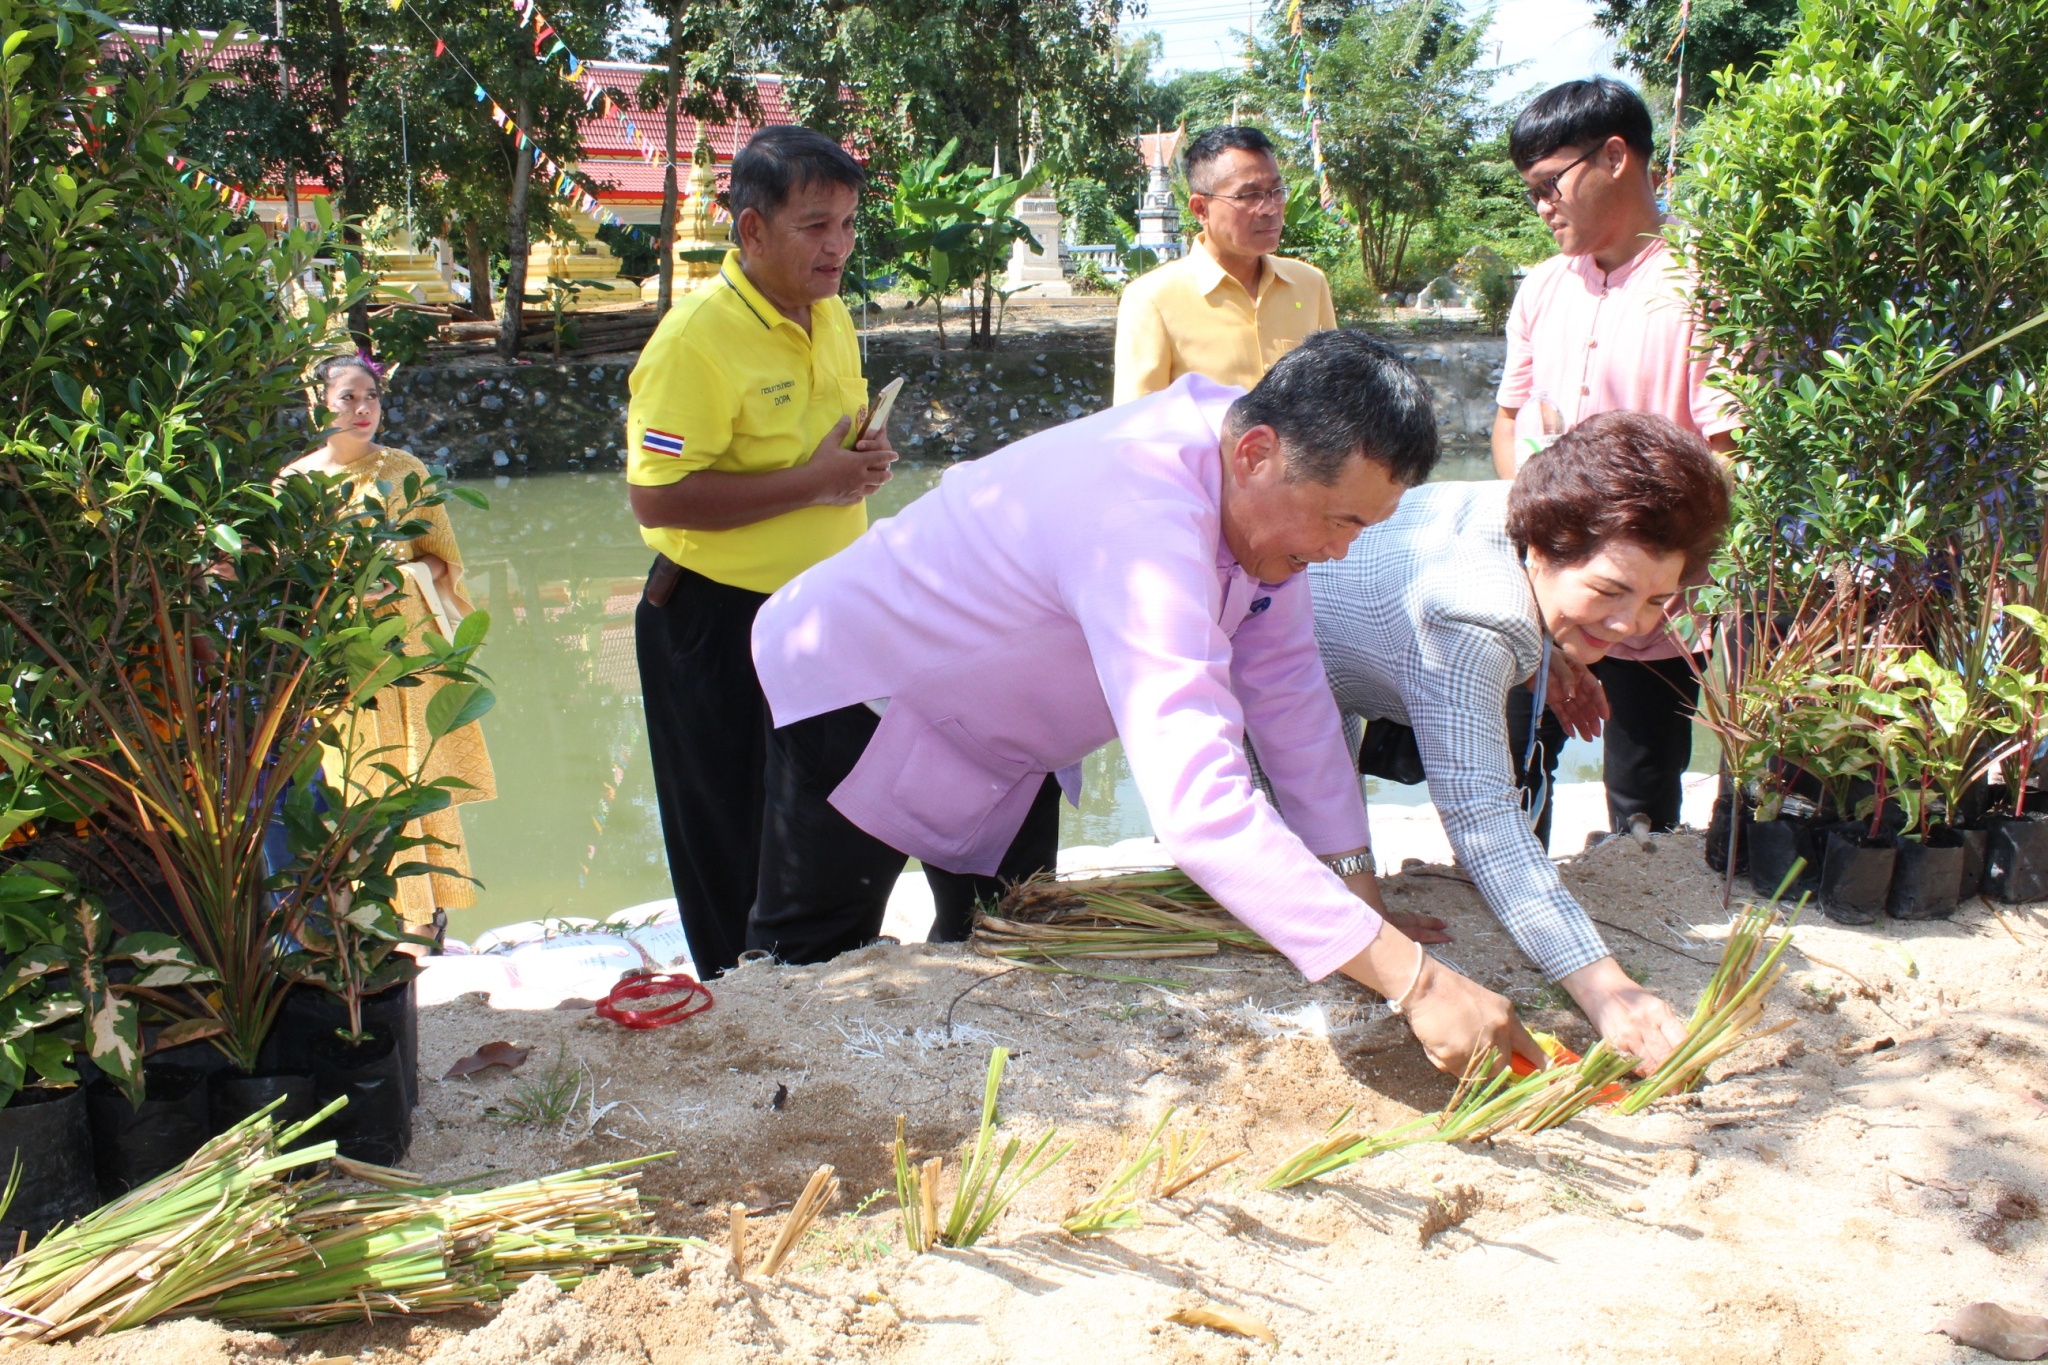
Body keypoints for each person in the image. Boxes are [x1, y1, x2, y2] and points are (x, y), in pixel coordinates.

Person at [751, 331, 1547, 1078]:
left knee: (1004, 945)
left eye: (1363, 528)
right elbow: (1201, 811)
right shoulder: (1141, 512)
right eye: (1340, 521)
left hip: (1014, 736)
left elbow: (1293, 702)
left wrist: (1360, 903)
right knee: (814, 958)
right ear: (1256, 452)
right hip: (866, 690)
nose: (1341, 551)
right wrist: (1418, 983)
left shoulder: (1260, 494)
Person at [1308, 411, 1731, 1068]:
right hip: (1272, 665)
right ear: (1542, 544)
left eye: (1657, 600)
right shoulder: (1471, 615)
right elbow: (1482, 817)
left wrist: (1544, 650)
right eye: (1610, 590)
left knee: (1345, 875)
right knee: (1319, 867)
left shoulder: (1526, 504)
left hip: (1336, 650)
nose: (1630, 625)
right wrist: (1609, 991)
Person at [625, 126, 897, 980]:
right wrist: (815, 484)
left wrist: (858, 463)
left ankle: (823, 974)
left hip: (827, 610)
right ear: (751, 229)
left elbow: (818, 452)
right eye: (815, 226)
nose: (838, 246)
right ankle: (738, 998)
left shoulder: (831, 311)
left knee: (836, 811)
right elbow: (656, 498)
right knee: (729, 830)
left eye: (847, 224)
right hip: (718, 617)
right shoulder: (694, 340)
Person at [1490, 77, 1739, 840]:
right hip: (1546, 594)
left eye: (1550, 184)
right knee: (1513, 773)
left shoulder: (1703, 281)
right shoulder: (1542, 288)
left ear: (1617, 157)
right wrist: (1543, 548)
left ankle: (1640, 889)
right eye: (1531, 192)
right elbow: (1509, 423)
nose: (1542, 206)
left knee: (1643, 795)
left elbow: (1729, 455)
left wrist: (1647, 570)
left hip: (1652, 608)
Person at [284, 352, 496, 928]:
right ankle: (358, 922)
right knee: (353, 777)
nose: (363, 410)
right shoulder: (295, 484)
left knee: (413, 771)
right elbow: (286, 581)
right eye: (347, 398)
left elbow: (444, 561)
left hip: (408, 651)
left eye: (371, 397)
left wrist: (398, 580)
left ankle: (423, 920)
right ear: (318, 403)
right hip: (340, 657)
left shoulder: (404, 470)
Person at [1113, 126, 1337, 406]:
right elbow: (1138, 420)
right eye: (1249, 196)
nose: (1270, 208)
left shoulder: (1310, 284)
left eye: (1276, 191)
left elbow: (1334, 397)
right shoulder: (1152, 300)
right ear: (1200, 209)